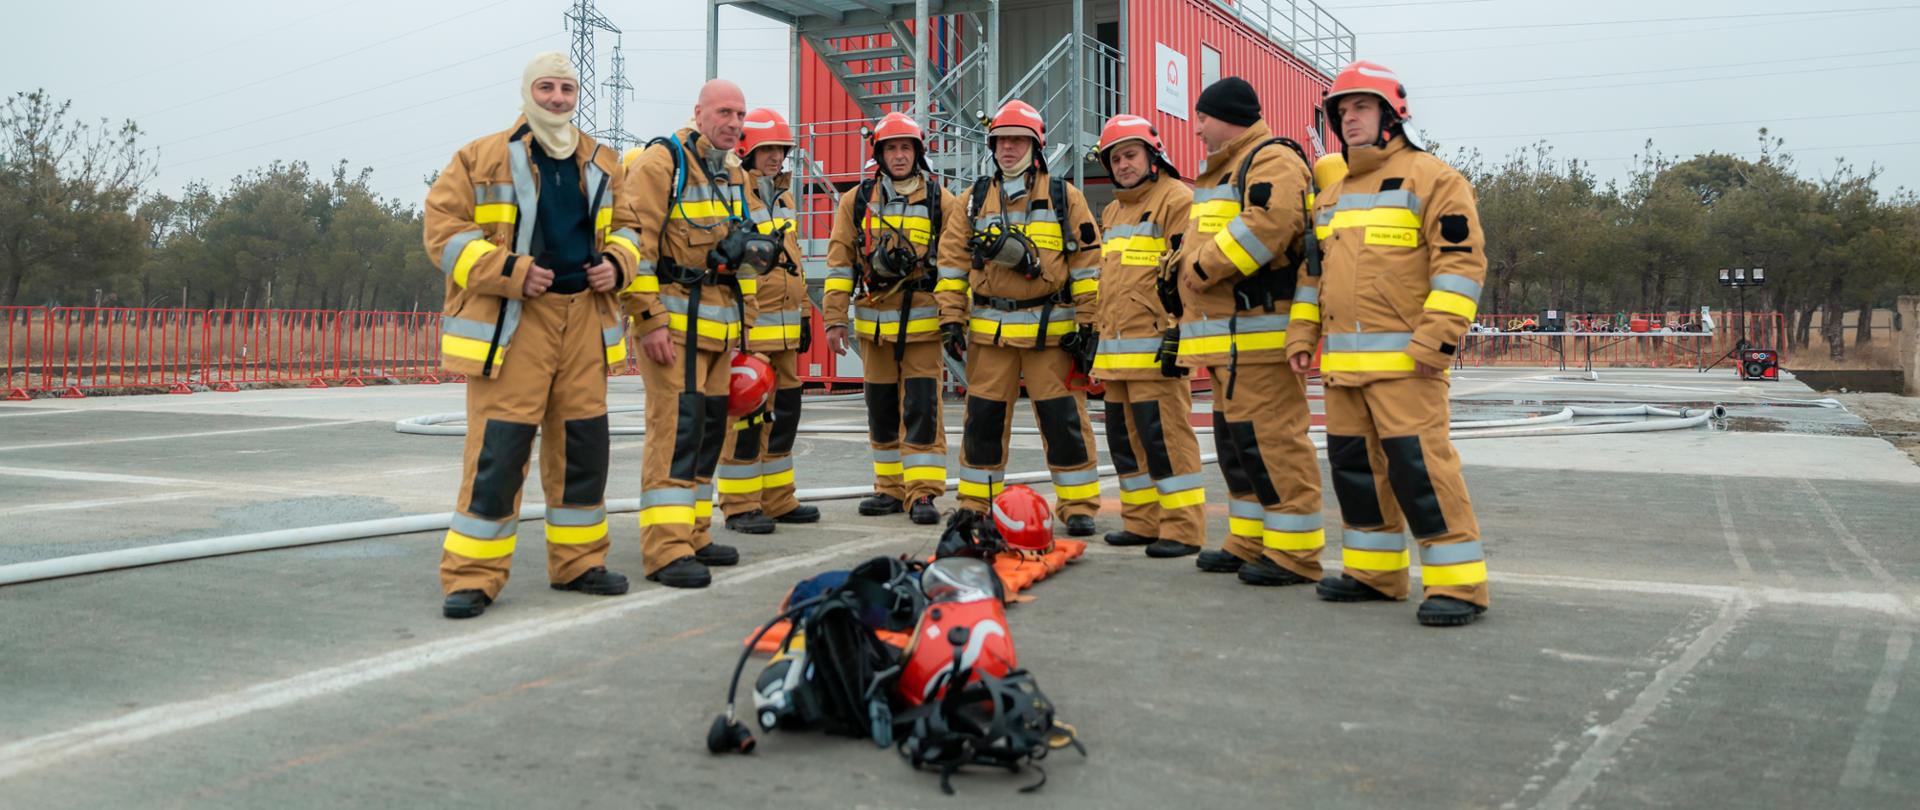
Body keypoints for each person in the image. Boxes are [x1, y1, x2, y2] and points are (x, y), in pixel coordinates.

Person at [423, 52, 638, 618]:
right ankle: (471, 576)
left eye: (566, 89)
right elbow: (443, 233)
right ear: (527, 92)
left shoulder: (603, 161)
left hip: (584, 319)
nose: (557, 99)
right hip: (516, 322)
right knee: (499, 452)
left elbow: (633, 229)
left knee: (584, 451)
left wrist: (617, 263)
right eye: (546, 88)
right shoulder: (480, 157)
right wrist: (512, 272)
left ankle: (580, 563)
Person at [1283, 61, 1491, 627]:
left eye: (1361, 108)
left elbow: (1461, 264)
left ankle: (1458, 587)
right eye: (1341, 111)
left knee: (1420, 471)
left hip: (1408, 366)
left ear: (1392, 115)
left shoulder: (1434, 179)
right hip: (1345, 368)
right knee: (1355, 472)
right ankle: (1374, 575)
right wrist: (1303, 335)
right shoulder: (1330, 197)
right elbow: (1313, 276)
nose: (1349, 119)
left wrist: (1436, 341)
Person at [1175, 76, 1327, 588]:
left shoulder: (1272, 159)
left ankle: (1295, 554)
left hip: (1258, 338)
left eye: (1202, 118)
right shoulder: (1223, 172)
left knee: (1274, 444)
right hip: (1227, 344)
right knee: (1239, 446)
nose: (1196, 129)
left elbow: (1268, 224)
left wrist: (1198, 269)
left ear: (1226, 115)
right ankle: (1249, 539)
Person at [617, 79, 768, 589]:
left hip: (721, 332)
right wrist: (648, 318)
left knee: (707, 435)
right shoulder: (663, 164)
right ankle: (665, 549)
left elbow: (747, 252)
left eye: (741, 115)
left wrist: (745, 326)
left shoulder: (732, 174)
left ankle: (696, 533)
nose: (735, 123)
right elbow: (634, 248)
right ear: (698, 112)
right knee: (674, 435)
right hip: (674, 329)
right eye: (725, 112)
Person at [938, 100, 1102, 536]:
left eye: (1017, 139)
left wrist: (1089, 324)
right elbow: (952, 265)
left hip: (1052, 336)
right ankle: (976, 503)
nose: (1007, 148)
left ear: (1036, 144)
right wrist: (951, 320)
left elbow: (1088, 266)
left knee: (1064, 421)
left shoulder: (1066, 198)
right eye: (1000, 141)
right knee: (983, 423)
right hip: (992, 336)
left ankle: (1078, 504)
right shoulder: (972, 200)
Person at [820, 112, 964, 526]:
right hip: (874, 328)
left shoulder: (941, 200)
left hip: (922, 329)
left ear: (917, 153)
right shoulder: (857, 201)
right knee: (880, 409)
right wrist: (834, 320)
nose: (898, 156)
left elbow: (955, 264)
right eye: (891, 148)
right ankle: (888, 488)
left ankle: (922, 494)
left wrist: (954, 318)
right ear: (879, 154)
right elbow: (839, 263)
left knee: (922, 409)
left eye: (905, 148)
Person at [1086, 114, 1206, 560]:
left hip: (1157, 348)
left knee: (1167, 441)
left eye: (1131, 155)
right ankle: (1141, 521)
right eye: (1115, 158)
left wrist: (1183, 334)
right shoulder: (1115, 210)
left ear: (1153, 156)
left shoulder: (1177, 199)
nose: (1123, 164)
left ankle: (1183, 528)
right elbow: (1110, 281)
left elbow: (1188, 275)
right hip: (1117, 352)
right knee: (1125, 441)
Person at [713, 108, 821, 534]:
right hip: (752, 333)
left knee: (785, 416)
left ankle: (778, 499)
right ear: (746, 151)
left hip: (787, 333)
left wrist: (807, 314)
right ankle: (740, 505)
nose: (776, 157)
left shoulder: (784, 197)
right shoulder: (734, 197)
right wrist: (738, 328)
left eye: (781, 149)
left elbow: (792, 264)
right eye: (767, 149)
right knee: (746, 418)